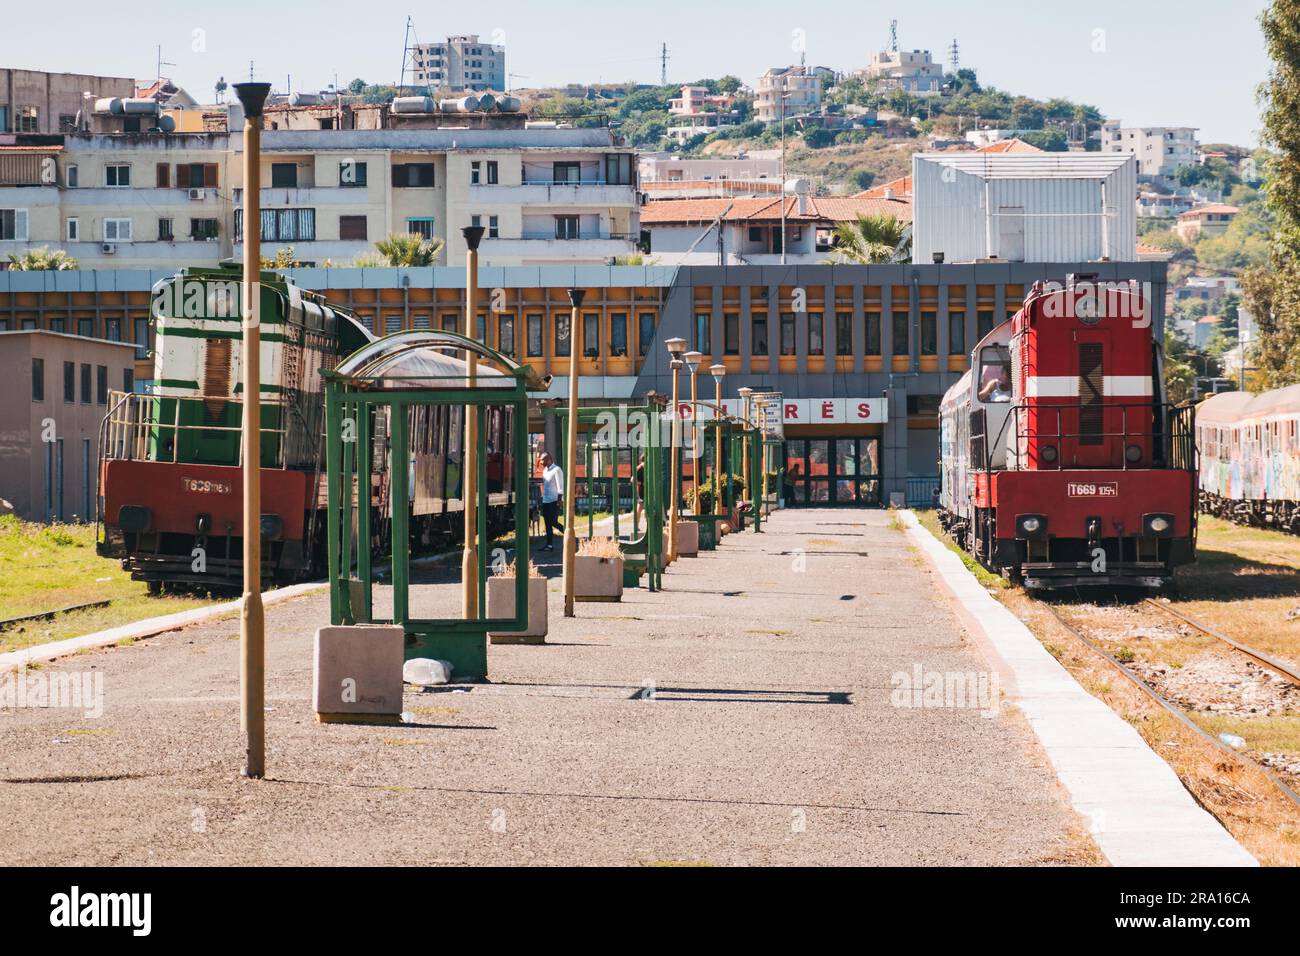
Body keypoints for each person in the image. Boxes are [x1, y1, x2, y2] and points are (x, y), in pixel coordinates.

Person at [538, 452, 564, 551]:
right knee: (547, 524)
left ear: (549, 459)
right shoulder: (545, 471)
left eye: (542, 460)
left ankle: (568, 533)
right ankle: (549, 545)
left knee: (553, 522)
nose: (540, 462)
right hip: (545, 501)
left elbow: (560, 486)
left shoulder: (557, 470)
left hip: (554, 501)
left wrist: (559, 499)